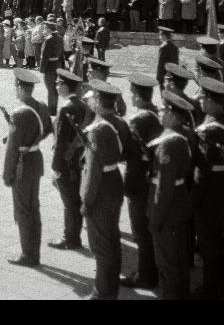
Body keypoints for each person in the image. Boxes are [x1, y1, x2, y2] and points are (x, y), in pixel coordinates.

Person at [193, 76, 224, 300]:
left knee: (209, 243)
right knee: (216, 240)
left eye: (202, 97)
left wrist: (194, 199)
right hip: (223, 185)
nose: (199, 100)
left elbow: (202, 170)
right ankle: (216, 286)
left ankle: (211, 291)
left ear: (211, 101)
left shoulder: (209, 129)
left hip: (209, 190)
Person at [81, 79, 126, 299]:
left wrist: (86, 201)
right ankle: (111, 286)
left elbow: (93, 171)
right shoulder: (118, 122)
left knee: (101, 244)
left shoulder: (97, 130)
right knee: (112, 238)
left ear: (99, 101)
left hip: (101, 188)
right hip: (114, 180)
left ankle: (103, 291)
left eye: (93, 97)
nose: (90, 100)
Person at [4, 68, 53, 267]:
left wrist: (7, 174)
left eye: (15, 86)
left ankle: (28, 255)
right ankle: (35, 253)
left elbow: (12, 150)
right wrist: (32, 139)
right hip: (35, 160)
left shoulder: (19, 113)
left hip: (22, 165)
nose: (14, 90)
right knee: (34, 208)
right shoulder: (42, 107)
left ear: (20, 87)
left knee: (23, 211)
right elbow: (47, 129)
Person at [149, 91, 194, 299]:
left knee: (168, 263)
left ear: (172, 115)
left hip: (168, 210)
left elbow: (164, 187)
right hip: (180, 203)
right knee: (179, 259)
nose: (159, 112)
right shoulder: (185, 133)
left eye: (163, 109)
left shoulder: (168, 142)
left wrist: (156, 219)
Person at [120, 73, 161, 290]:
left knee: (141, 232)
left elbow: (131, 153)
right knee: (147, 231)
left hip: (138, 181)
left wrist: (128, 186)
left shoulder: (138, 120)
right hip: (151, 178)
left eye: (132, 92)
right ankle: (151, 271)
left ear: (137, 94)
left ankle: (146, 276)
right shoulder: (154, 113)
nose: (131, 96)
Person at [48, 69, 89, 251]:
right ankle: (75, 237)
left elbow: (61, 141)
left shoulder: (66, 108)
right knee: (74, 199)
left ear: (65, 86)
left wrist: (55, 166)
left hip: (65, 161)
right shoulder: (81, 105)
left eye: (58, 83)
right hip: (77, 159)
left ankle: (69, 239)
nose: (56, 86)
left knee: (69, 202)